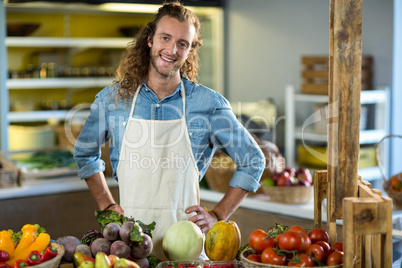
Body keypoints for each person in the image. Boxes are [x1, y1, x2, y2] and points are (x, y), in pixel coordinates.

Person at [73, 1, 265, 260]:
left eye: (183, 43)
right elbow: (85, 153)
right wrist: (107, 205)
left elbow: (253, 160)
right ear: (150, 39)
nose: (172, 50)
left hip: (187, 249)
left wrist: (218, 215)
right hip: (130, 247)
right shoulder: (113, 100)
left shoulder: (208, 105)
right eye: (166, 38)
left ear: (190, 51)